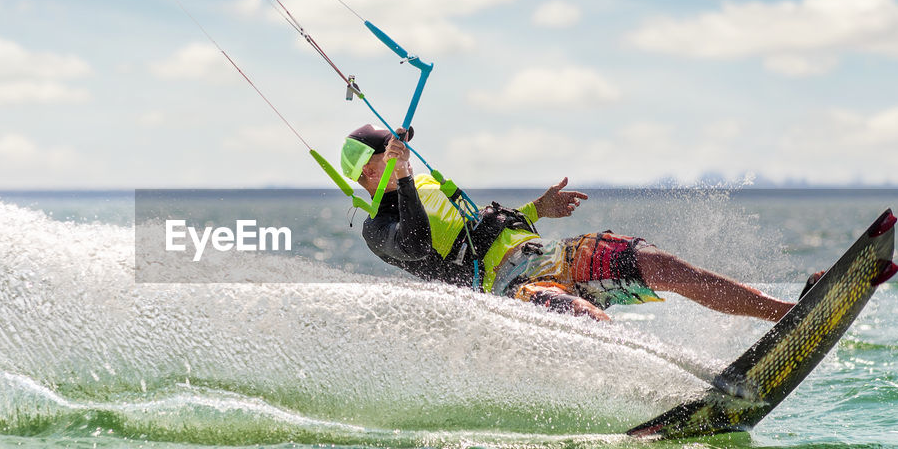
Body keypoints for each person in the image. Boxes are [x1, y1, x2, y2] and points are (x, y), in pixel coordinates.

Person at [341, 124, 807, 323]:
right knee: (581, 318)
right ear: (366, 170)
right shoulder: (377, 227)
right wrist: (402, 179)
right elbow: (419, 244)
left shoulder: (422, 186)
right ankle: (672, 394)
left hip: (544, 254)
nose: (404, 158)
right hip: (504, 290)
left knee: (660, 264)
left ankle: (784, 312)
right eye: (391, 154)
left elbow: (479, 229)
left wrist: (537, 210)